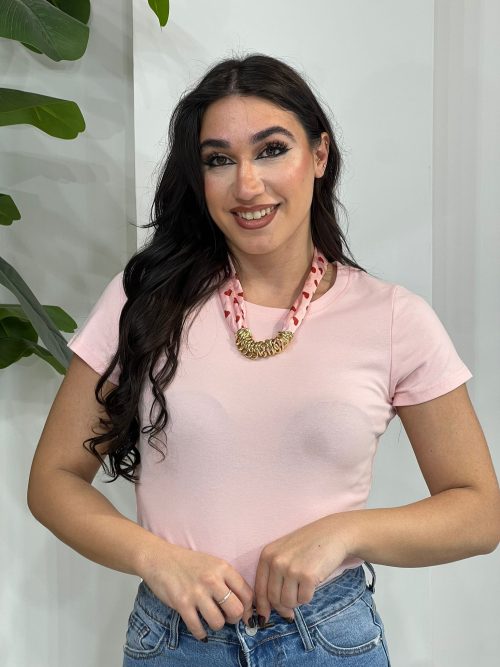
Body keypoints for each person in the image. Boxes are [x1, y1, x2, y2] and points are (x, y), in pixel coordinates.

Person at [27, 53, 500, 667]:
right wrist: (157, 558)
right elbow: (54, 480)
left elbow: (479, 512)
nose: (247, 185)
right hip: (177, 641)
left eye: (272, 150)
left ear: (320, 155)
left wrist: (345, 533)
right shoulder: (142, 299)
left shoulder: (393, 318)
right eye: (219, 159)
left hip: (328, 641)